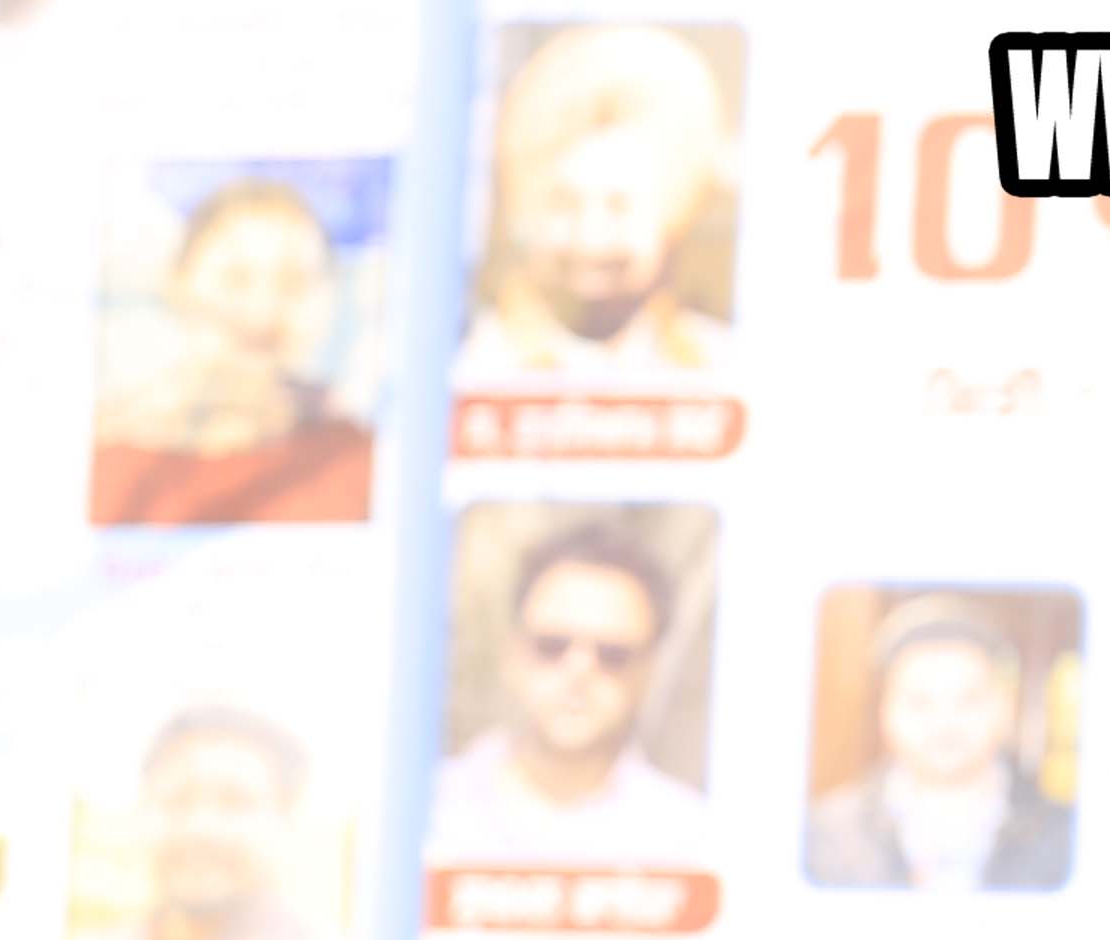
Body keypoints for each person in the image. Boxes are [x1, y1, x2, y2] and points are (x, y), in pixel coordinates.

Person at [422, 523, 717, 870]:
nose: (579, 672)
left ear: (647, 672)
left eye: (612, 654)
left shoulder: (696, 845)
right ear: (511, 654)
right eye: (552, 646)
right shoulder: (421, 814)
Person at [456, 22, 735, 383]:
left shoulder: (718, 361)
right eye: (565, 206)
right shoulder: (476, 360)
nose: (591, 238)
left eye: (618, 208)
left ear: (668, 220)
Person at [90, 180, 375, 527]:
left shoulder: (362, 463)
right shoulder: (93, 460)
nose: (262, 309)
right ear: (178, 283)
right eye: (235, 278)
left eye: (293, 282)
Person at [64, 711, 344, 940]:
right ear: (141, 814)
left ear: (286, 821)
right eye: (177, 801)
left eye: (235, 802)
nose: (201, 827)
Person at [802, 604, 1069, 892]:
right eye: (920, 701)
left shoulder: (1069, 836)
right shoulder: (822, 837)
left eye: (968, 699)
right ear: (885, 712)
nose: (944, 721)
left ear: (1004, 708)